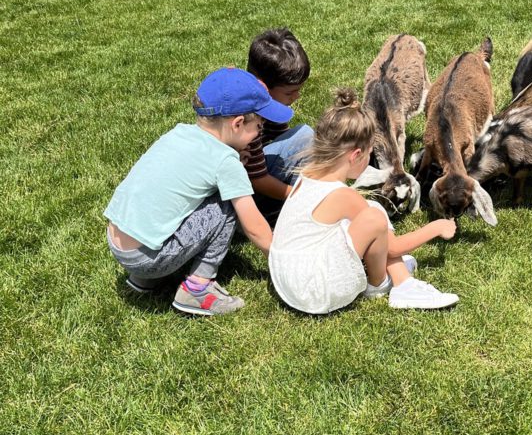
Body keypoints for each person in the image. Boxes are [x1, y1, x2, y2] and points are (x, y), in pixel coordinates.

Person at [105, 67, 291, 316]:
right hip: (148, 258)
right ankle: (197, 288)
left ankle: (144, 281)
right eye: (259, 125)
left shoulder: (179, 133)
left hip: (119, 243)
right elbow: (254, 226)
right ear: (237, 124)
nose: (260, 133)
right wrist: (283, 259)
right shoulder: (226, 163)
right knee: (226, 207)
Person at [269, 88, 459, 314]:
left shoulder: (307, 174)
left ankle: (399, 277)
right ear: (355, 155)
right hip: (313, 292)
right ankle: (379, 284)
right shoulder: (343, 196)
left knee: (370, 209)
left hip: (285, 276)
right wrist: (436, 227)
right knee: (375, 217)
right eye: (369, 153)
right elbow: (394, 247)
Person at [243, 28, 314, 224]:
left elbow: (284, 139)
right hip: (245, 195)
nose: (296, 97)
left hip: (256, 179)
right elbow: (257, 179)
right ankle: (289, 211)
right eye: (290, 92)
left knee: (304, 141)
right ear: (264, 87)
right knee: (307, 135)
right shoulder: (248, 120)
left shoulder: (270, 105)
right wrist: (300, 197)